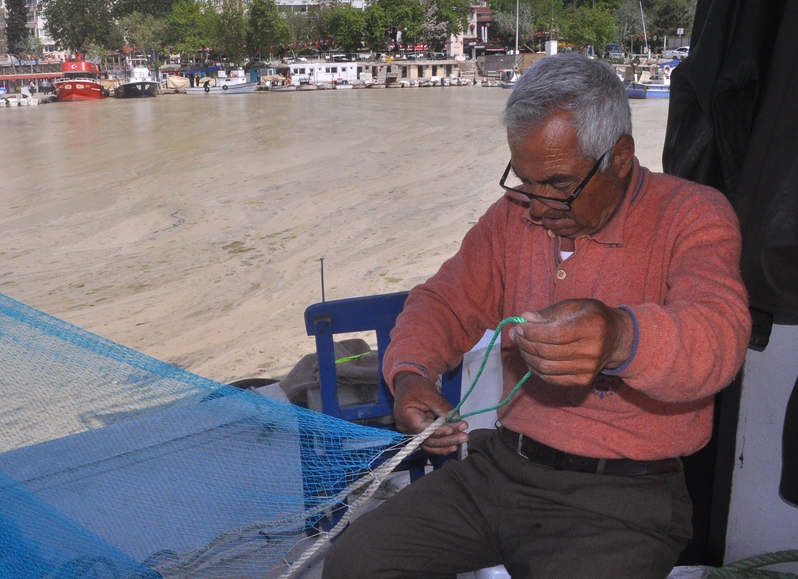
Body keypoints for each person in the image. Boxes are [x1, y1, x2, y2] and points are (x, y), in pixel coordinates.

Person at [322, 53, 751, 579]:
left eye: (557, 182)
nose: (537, 204)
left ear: (620, 157)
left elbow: (719, 335)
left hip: (623, 500)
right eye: (524, 180)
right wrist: (411, 376)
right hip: (501, 465)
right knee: (356, 564)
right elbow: (443, 302)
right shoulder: (512, 219)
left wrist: (621, 337)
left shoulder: (693, 214)